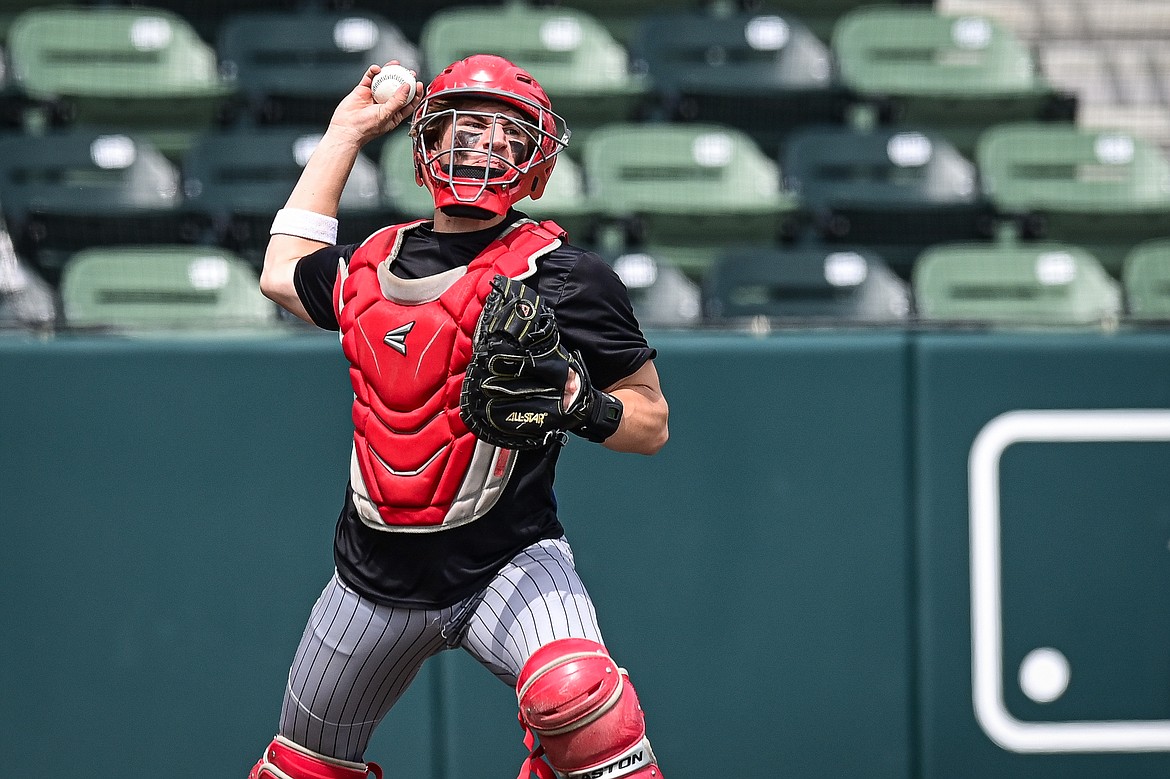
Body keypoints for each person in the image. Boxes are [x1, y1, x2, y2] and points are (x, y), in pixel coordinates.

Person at [249, 54, 669, 779]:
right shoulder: (371, 263)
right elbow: (280, 269)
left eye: (508, 133)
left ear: (536, 169)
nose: (483, 143)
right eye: (464, 125)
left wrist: (582, 404)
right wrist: (345, 130)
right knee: (299, 770)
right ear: (425, 150)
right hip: (371, 581)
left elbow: (651, 420)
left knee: (586, 706)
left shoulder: (568, 274)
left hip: (509, 563)